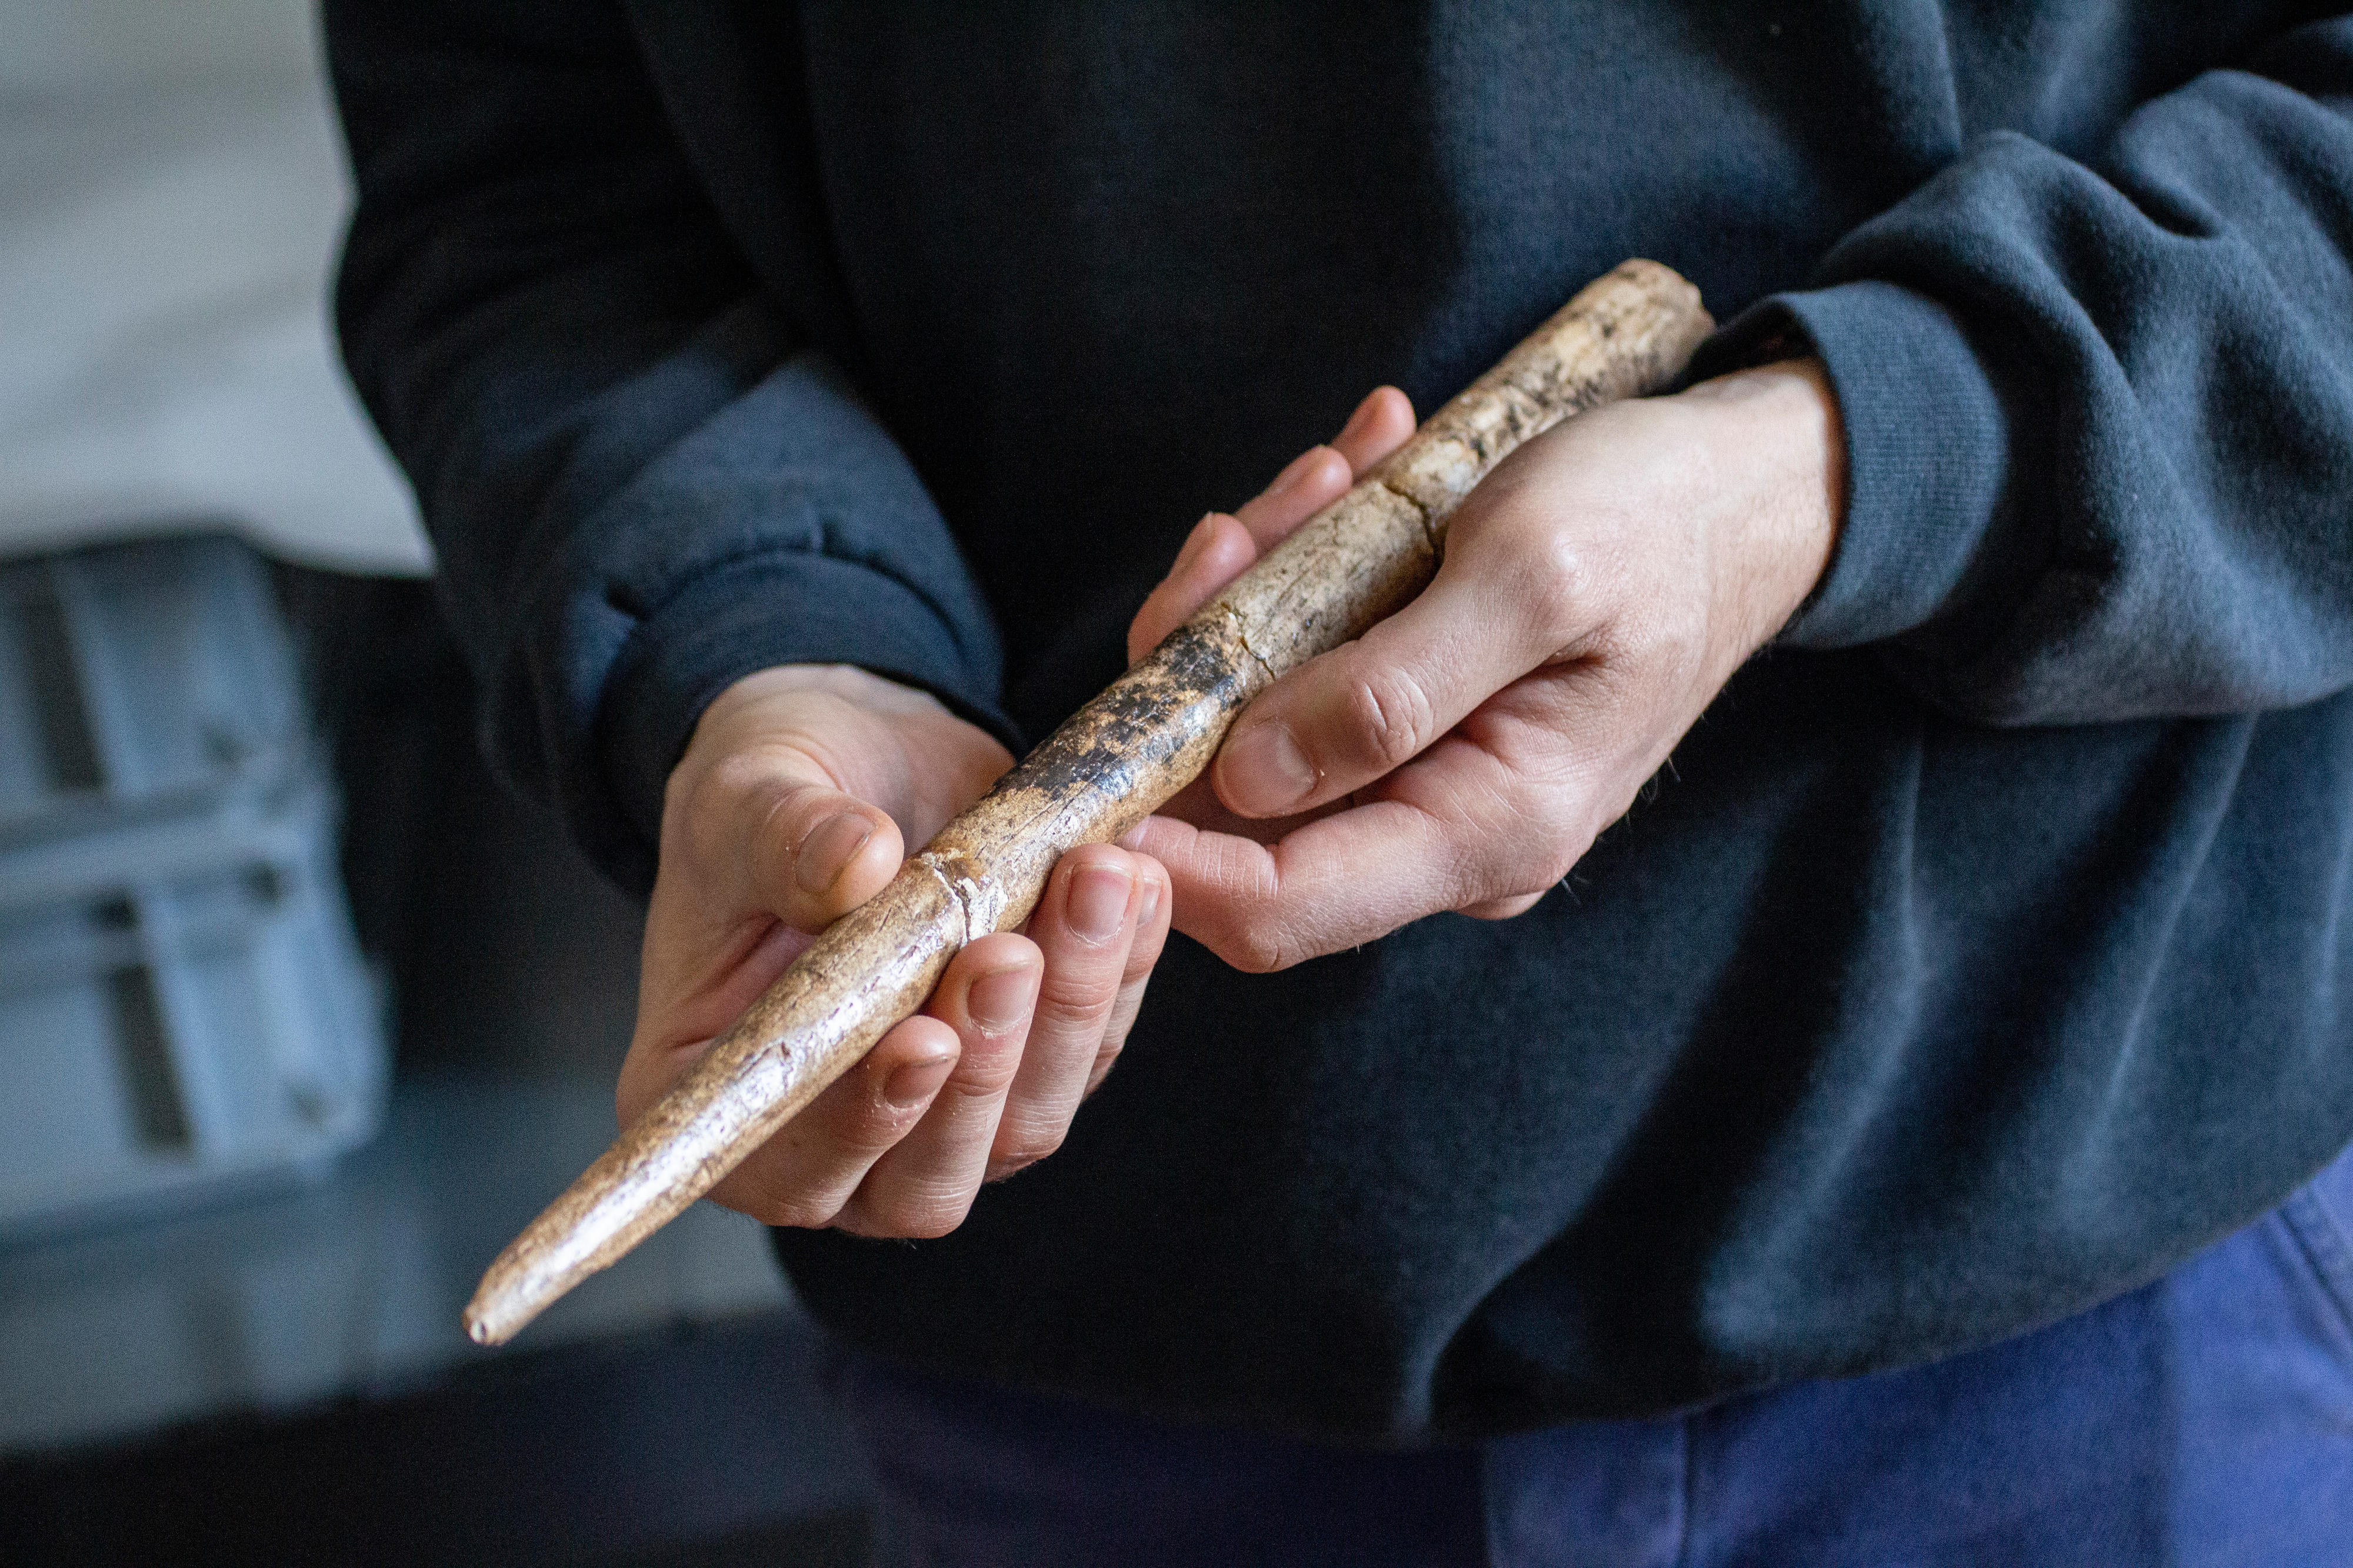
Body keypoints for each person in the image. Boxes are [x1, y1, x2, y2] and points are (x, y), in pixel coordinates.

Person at [328, 3, 2353, 1561]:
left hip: (2095, 1271)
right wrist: (765, 623)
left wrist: (1860, 451)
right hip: (1097, 1381)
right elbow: (528, 176)